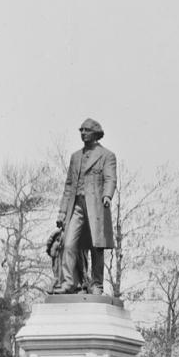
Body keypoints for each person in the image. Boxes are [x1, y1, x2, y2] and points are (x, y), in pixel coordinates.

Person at [53, 118, 117, 294]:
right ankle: (68, 283)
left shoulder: (106, 155)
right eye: (81, 130)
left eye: (86, 130)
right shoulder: (75, 157)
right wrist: (62, 211)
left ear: (95, 133)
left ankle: (97, 284)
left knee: (97, 246)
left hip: (96, 206)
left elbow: (110, 178)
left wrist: (107, 195)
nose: (82, 133)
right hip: (77, 206)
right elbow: (68, 186)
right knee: (68, 243)